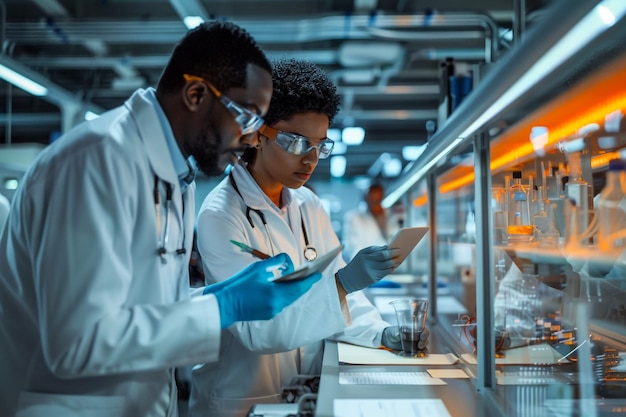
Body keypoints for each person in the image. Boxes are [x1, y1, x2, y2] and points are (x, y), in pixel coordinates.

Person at [0, 22, 323, 417]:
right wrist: (222, 306)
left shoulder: (176, 178)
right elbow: (77, 342)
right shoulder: (95, 161)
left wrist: (215, 296)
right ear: (196, 94)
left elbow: (144, 309)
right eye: (248, 118)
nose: (252, 138)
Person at [190, 58, 428, 417]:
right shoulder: (220, 214)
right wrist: (343, 283)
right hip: (243, 399)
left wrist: (381, 333)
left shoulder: (307, 203)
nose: (312, 158)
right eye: (298, 143)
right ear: (258, 133)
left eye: (321, 145)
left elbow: (343, 296)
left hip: (302, 393)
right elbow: (258, 330)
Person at [342, 183, 405, 262]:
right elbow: (352, 247)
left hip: (391, 262)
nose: (375, 204)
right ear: (366, 199)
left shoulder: (390, 215)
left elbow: (396, 238)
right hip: (366, 264)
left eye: (378, 200)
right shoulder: (353, 217)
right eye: (372, 200)